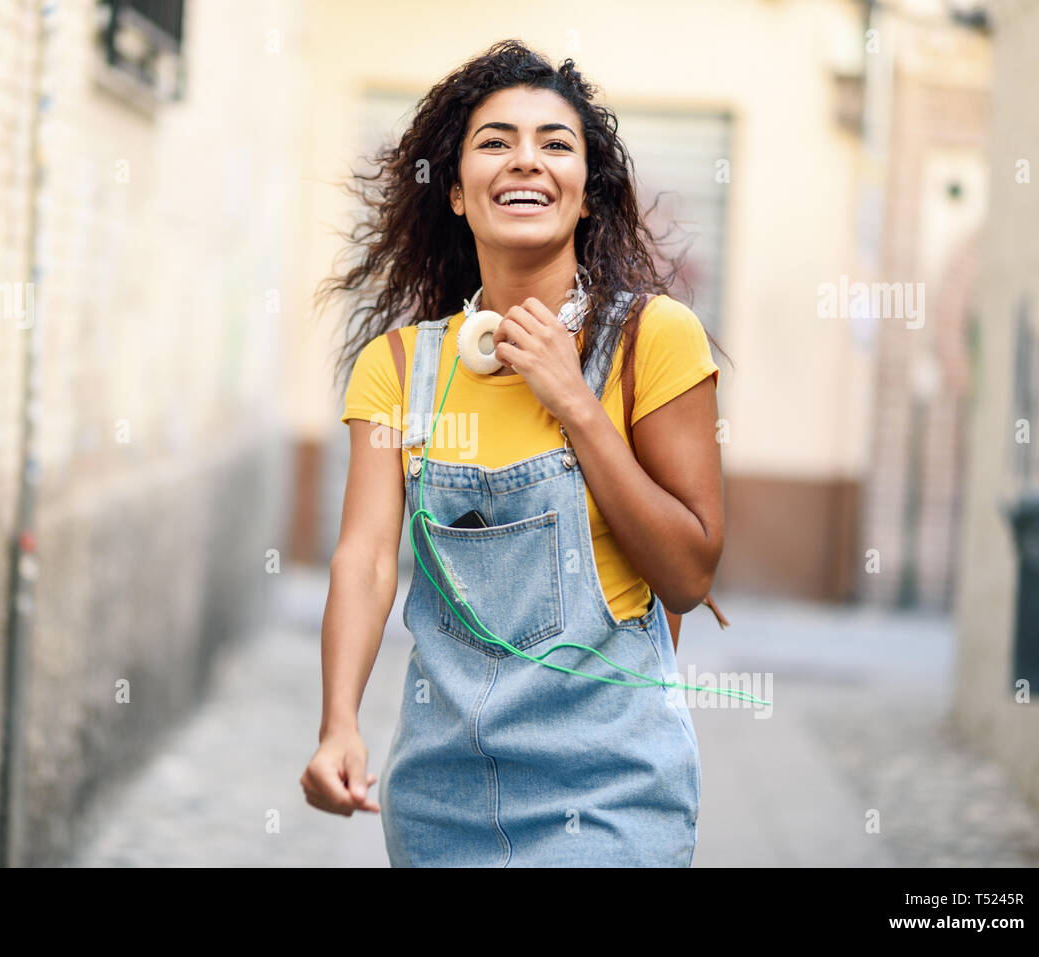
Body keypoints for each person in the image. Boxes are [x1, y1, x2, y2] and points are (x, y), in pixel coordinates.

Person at [301, 38, 727, 866]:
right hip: (438, 800)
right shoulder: (397, 368)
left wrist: (576, 403)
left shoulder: (653, 340)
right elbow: (364, 560)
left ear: (587, 197)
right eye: (494, 141)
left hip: (611, 795)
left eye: (554, 143)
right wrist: (339, 724)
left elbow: (689, 574)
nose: (524, 160)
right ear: (456, 193)